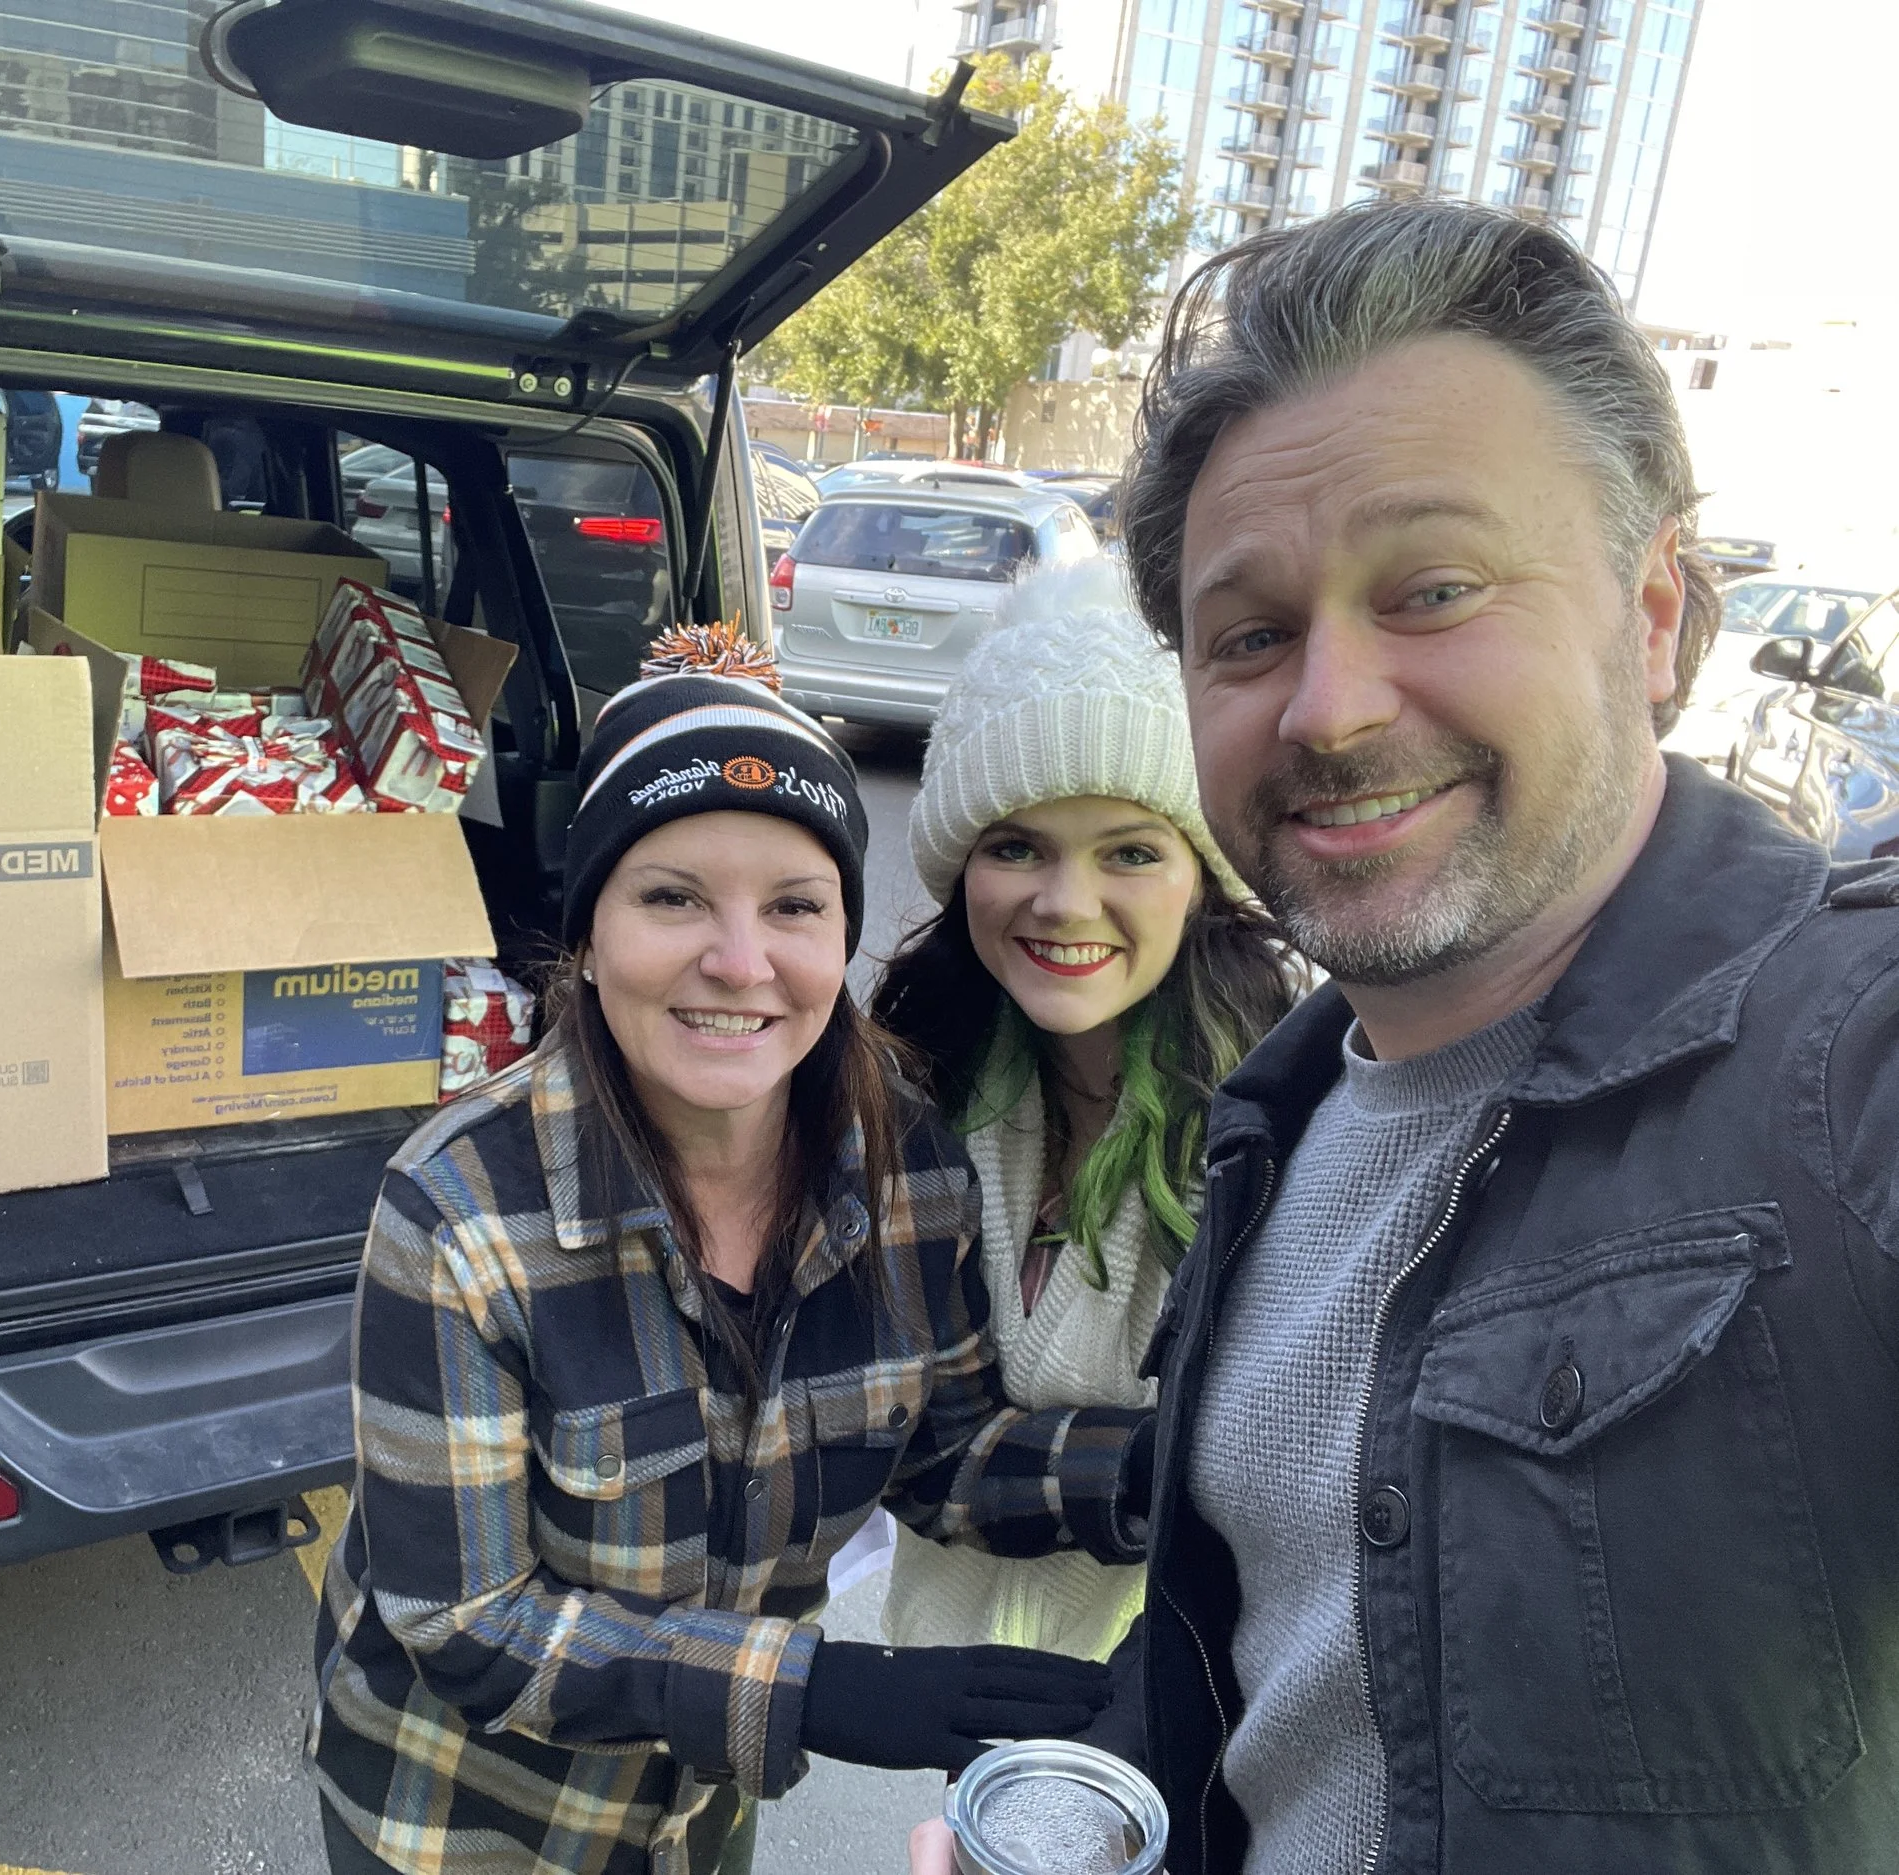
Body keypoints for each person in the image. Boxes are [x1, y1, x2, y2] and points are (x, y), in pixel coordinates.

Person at [1106, 197, 1899, 1875]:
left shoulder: (1846, 1060)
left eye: (1435, 588)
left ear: (1654, 612)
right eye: (1251, 634)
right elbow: (1295, 1683)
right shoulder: (1274, 1127)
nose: (1329, 706)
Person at [308, 638, 1156, 1875]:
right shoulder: (458, 1213)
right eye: (673, 898)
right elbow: (465, 1621)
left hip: (696, 1819)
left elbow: (945, 1452)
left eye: (794, 907)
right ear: (588, 933)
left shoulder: (904, 1164)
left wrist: (1155, 1473)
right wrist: (809, 1693)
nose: (741, 963)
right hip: (466, 1823)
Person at [868, 578, 1292, 1664]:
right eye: (1016, 846)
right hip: (935, 1674)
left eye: (1130, 851)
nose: (1064, 901)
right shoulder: (917, 1077)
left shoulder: (1279, 1122)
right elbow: (898, 1429)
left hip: (1174, 1702)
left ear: (1201, 876)